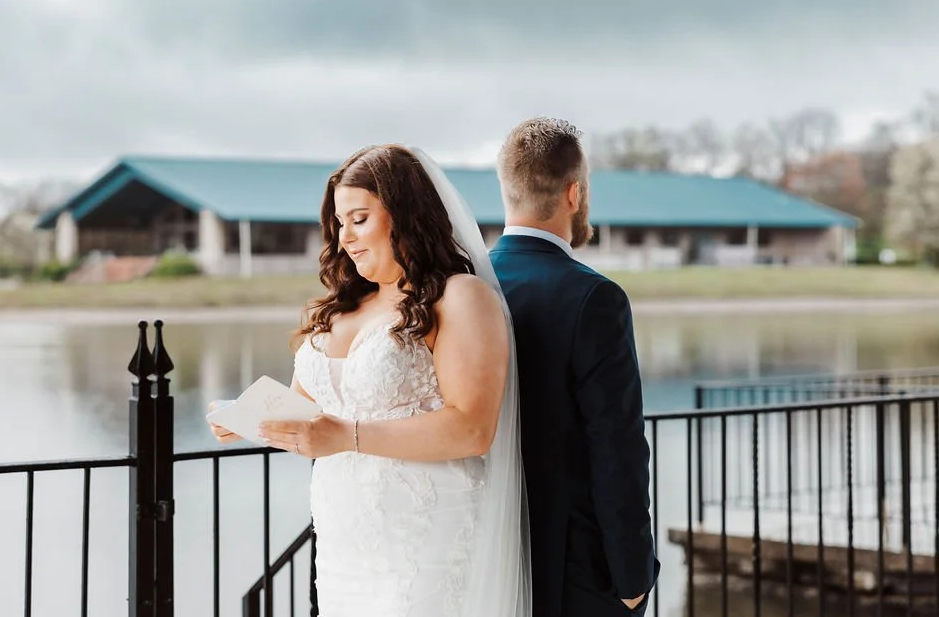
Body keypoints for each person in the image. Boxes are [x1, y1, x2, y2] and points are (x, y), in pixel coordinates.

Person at [207, 144, 531, 617]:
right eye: (340, 223)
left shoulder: (460, 298)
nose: (345, 238)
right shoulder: (341, 307)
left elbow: (472, 428)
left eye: (359, 219)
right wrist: (247, 417)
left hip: (427, 538)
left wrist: (346, 436)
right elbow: (309, 414)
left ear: (405, 214)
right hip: (343, 544)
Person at [489, 117, 660, 617]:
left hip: (488, 550)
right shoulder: (594, 298)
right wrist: (631, 573)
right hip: (574, 566)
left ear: (507, 192)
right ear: (574, 194)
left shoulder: (462, 285)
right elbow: (617, 448)